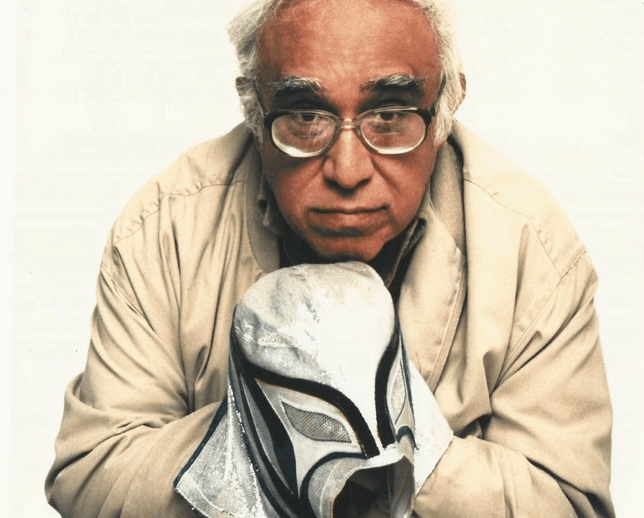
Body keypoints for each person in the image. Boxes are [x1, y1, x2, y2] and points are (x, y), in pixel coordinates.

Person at [45, 0, 614, 516]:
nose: (347, 170)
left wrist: (398, 436)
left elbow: (569, 503)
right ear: (254, 110)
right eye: (305, 117)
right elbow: (91, 474)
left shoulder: (532, 245)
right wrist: (268, 419)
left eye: (389, 116)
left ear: (445, 107)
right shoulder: (165, 226)